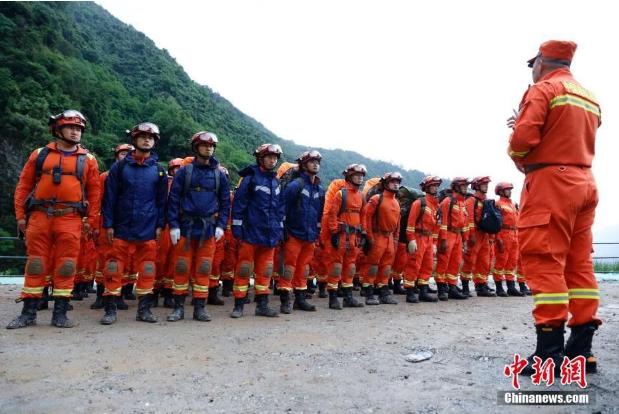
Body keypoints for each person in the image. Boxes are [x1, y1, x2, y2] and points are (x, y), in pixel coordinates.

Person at [507, 40, 602, 374]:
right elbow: (568, 133)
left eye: (533, 64)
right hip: (585, 181)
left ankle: (549, 353)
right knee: (579, 265)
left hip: (551, 184)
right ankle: (582, 351)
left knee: (545, 261)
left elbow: (521, 145)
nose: (532, 70)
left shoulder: (543, 90)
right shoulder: (587, 96)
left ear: (542, 62)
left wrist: (520, 152)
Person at [8, 110, 101, 329]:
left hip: (70, 218)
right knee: (36, 263)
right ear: (57, 130)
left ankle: (60, 313)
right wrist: (21, 216)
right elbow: (23, 186)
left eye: (79, 129)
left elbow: (95, 195)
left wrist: (91, 221)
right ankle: (28, 313)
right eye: (71, 127)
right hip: (40, 217)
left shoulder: (88, 160)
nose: (76, 132)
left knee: (67, 265)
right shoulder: (39, 154)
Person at [100, 122, 167, 325]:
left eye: (151, 137)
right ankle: (110, 309)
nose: (147, 139)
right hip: (121, 225)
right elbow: (109, 198)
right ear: (135, 140)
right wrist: (109, 224)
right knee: (113, 267)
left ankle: (144, 310)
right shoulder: (119, 167)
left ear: (155, 142)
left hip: (147, 227)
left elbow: (162, 201)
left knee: (147, 269)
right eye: (143, 136)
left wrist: (159, 225)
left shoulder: (159, 171)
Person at [166, 132, 230, 322]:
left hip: (208, 229)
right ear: (196, 147)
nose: (209, 148)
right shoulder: (184, 172)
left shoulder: (219, 175)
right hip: (185, 226)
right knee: (181, 267)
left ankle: (200, 308)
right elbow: (173, 199)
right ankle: (178, 308)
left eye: (211, 145)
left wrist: (220, 226)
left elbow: (225, 203)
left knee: (203, 268)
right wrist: (174, 225)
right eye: (204, 145)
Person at [230, 143, 285, 318]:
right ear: (260, 158)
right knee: (244, 269)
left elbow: (278, 209)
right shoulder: (249, 179)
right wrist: (237, 228)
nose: (272, 160)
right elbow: (239, 205)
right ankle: (238, 305)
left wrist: (279, 229)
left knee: (266, 270)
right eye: (269, 157)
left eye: (275, 158)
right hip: (251, 232)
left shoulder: (276, 181)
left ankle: (262, 305)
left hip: (270, 234)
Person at [279, 150, 325, 313]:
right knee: (289, 267)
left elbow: (319, 215)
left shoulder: (320, 190)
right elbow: (283, 208)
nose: (315, 164)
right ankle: (285, 300)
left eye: (317, 162)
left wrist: (317, 233)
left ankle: (300, 299)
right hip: (293, 233)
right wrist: (283, 229)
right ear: (304, 165)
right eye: (312, 161)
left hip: (310, 235)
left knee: (304, 268)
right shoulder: (295, 185)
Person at [322, 164, 367, 310]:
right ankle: (333, 298)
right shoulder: (341, 194)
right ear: (349, 176)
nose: (360, 178)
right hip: (341, 236)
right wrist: (334, 232)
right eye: (356, 175)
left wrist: (364, 233)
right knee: (336, 266)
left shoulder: (361, 196)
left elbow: (363, 216)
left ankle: (348, 298)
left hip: (354, 237)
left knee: (351, 267)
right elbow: (332, 214)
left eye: (361, 175)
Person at [360, 172, 403, 305]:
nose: (396, 184)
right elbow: (366, 218)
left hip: (389, 237)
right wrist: (369, 237)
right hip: (377, 236)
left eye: (397, 182)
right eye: (392, 181)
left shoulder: (396, 202)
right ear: (385, 184)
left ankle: (383, 290)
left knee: (386, 266)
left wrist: (395, 240)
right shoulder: (376, 199)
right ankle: (368, 291)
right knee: (372, 265)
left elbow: (398, 224)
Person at [403, 176, 441, 303]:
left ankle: (423, 291)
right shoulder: (419, 203)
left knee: (428, 265)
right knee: (414, 264)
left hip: (429, 238)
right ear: (426, 187)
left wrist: (435, 243)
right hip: (418, 237)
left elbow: (436, 227)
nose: (435, 188)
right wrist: (411, 239)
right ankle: (410, 291)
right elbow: (411, 223)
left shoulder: (436, 205)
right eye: (433, 185)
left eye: (436, 185)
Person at [153, 157, 183, 308]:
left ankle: (168, 292)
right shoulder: (165, 182)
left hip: (178, 225)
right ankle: (154, 290)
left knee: (174, 260)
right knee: (159, 258)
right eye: (175, 168)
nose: (178, 171)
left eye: (180, 168)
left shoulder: (186, 183)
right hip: (164, 224)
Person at [435, 177, 470, 301]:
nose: (466, 187)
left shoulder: (463, 203)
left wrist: (465, 241)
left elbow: (465, 225)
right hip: (448, 234)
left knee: (456, 262)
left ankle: (452, 287)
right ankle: (441, 288)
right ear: (456, 187)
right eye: (463, 185)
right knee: (443, 262)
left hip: (458, 236)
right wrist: (443, 239)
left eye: (466, 185)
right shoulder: (447, 202)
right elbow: (442, 222)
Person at [462, 176, 496, 297]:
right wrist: (470, 236)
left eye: (487, 184)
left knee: (484, 261)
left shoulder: (486, 200)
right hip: (475, 234)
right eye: (483, 184)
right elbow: (469, 219)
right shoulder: (471, 201)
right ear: (476, 186)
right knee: (469, 260)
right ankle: (465, 287)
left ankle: (481, 285)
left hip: (484, 235)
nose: (486, 186)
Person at [492, 182, 524, 296]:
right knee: (501, 260)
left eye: (510, 189)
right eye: (507, 189)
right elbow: (496, 223)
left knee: (512, 261)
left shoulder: (513, 204)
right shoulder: (497, 204)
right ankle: (499, 288)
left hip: (514, 233)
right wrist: (498, 238)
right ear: (500, 191)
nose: (509, 191)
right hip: (504, 233)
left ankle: (511, 287)